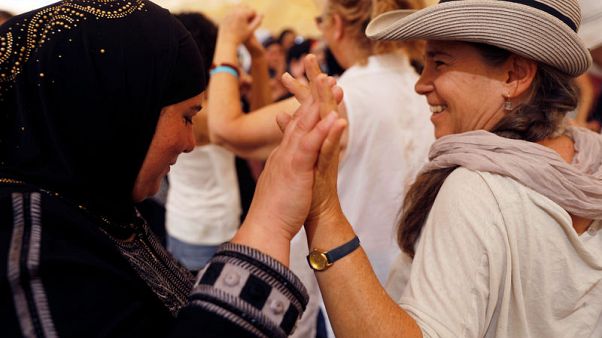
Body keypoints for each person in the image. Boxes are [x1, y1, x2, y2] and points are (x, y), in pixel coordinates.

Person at [0, 1, 347, 336]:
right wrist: (271, 215)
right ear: (118, 110)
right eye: (185, 117)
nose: (189, 141)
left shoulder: (94, 207)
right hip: (195, 229)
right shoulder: (30, 251)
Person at [271, 0, 602, 337]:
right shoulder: (589, 157)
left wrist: (324, 208)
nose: (421, 84)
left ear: (514, 75)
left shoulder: (478, 190)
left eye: (439, 63)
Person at [165, 12, 242, 272]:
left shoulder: (173, 103)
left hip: (186, 221)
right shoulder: (202, 112)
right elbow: (240, 125)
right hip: (207, 229)